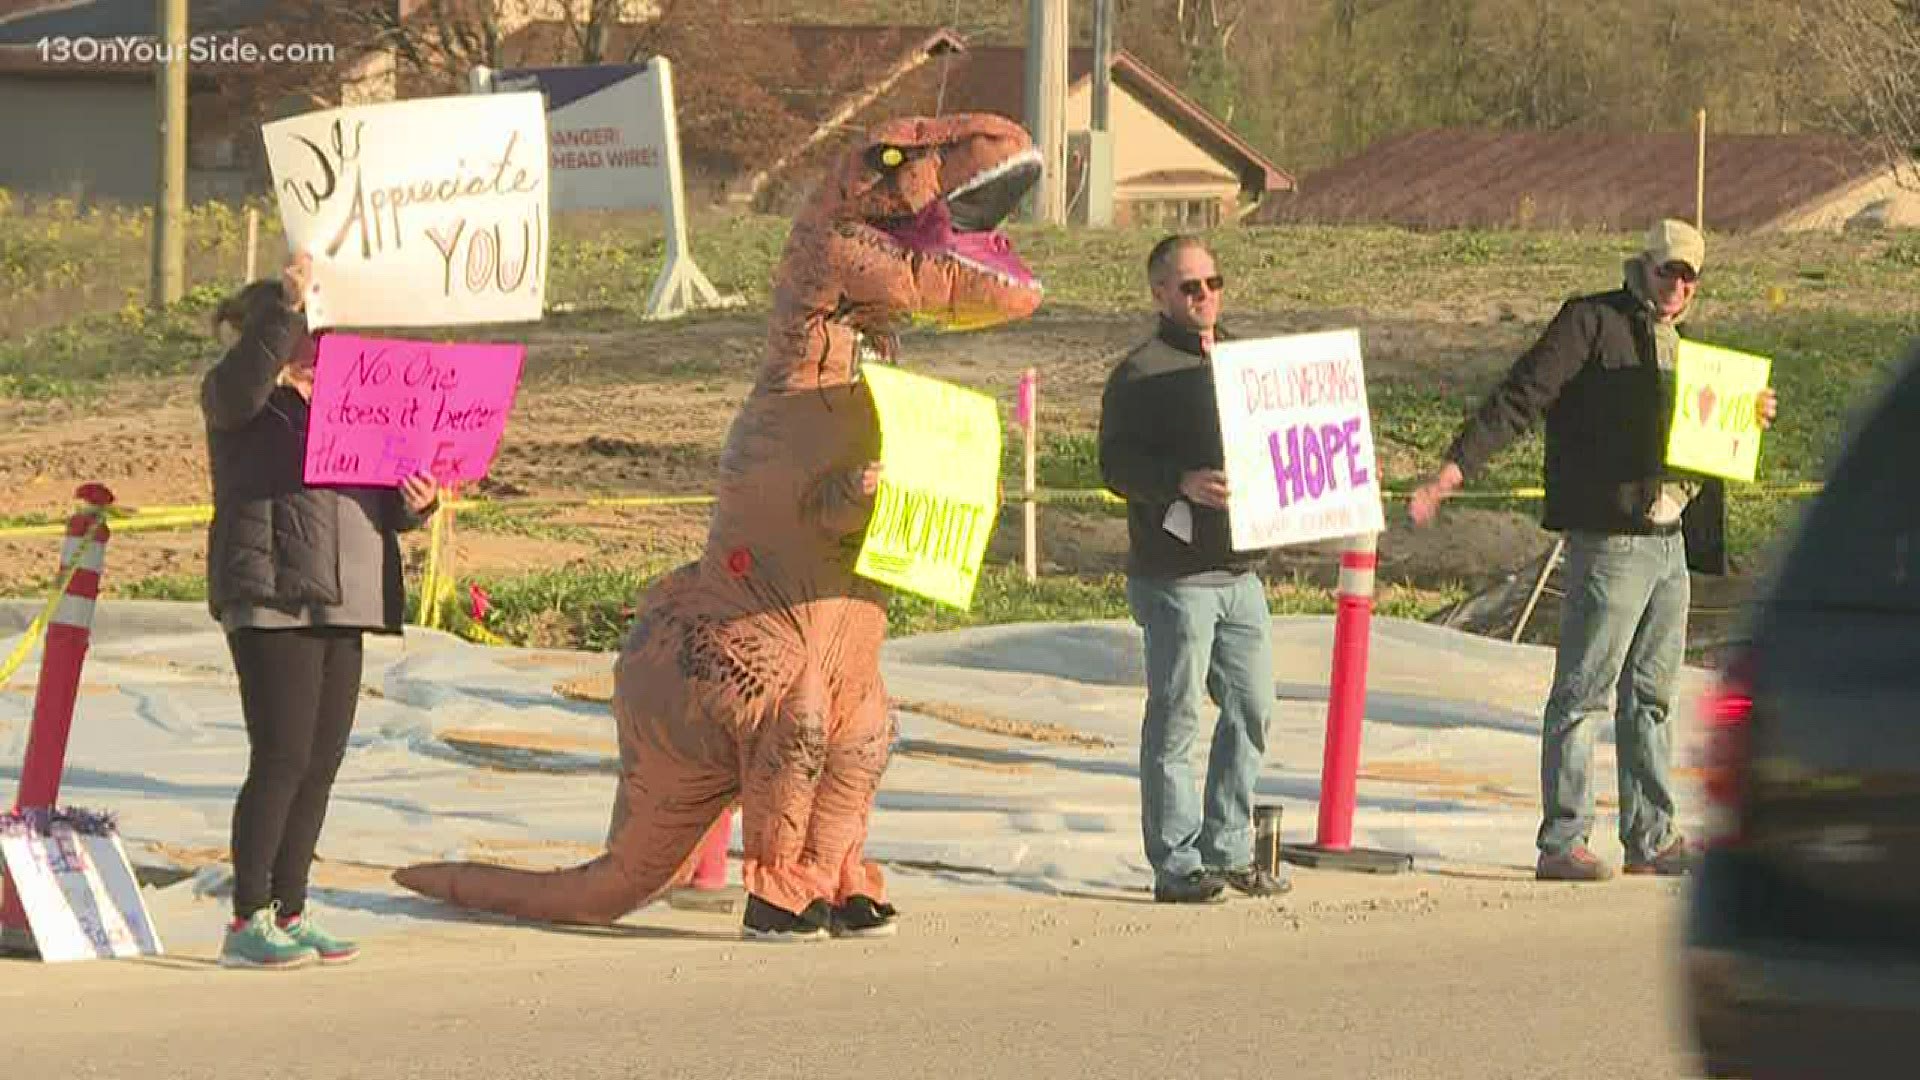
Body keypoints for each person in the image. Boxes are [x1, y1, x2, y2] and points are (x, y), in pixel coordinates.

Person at [1408, 219, 1777, 882]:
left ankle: (1653, 835)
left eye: (1690, 275)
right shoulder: (1590, 323)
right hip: (1611, 541)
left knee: (1653, 696)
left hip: (1671, 543)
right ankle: (1564, 840)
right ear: (1643, 265)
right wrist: (1453, 470)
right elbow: (1522, 396)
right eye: (1669, 270)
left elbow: (1702, 438)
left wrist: (1745, 417)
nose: (1679, 286)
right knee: (1583, 691)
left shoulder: (1687, 349)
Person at [201, 252, 440, 967]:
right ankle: (247, 919)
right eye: (299, 323)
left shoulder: (355, 397)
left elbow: (380, 496)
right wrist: (287, 303)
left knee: (320, 764)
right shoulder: (239, 395)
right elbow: (241, 385)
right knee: (280, 757)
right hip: (273, 591)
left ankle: (291, 907)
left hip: (348, 591)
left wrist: (415, 503)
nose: (315, 335)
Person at [1098, 234, 1289, 904]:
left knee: (1253, 707)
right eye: (1188, 287)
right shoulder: (1139, 374)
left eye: (1213, 282)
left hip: (1241, 574)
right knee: (1176, 716)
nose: (1205, 296)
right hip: (1175, 578)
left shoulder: (1248, 361)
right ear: (1158, 295)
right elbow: (1114, 465)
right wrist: (1177, 482)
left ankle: (1229, 847)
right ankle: (1176, 863)